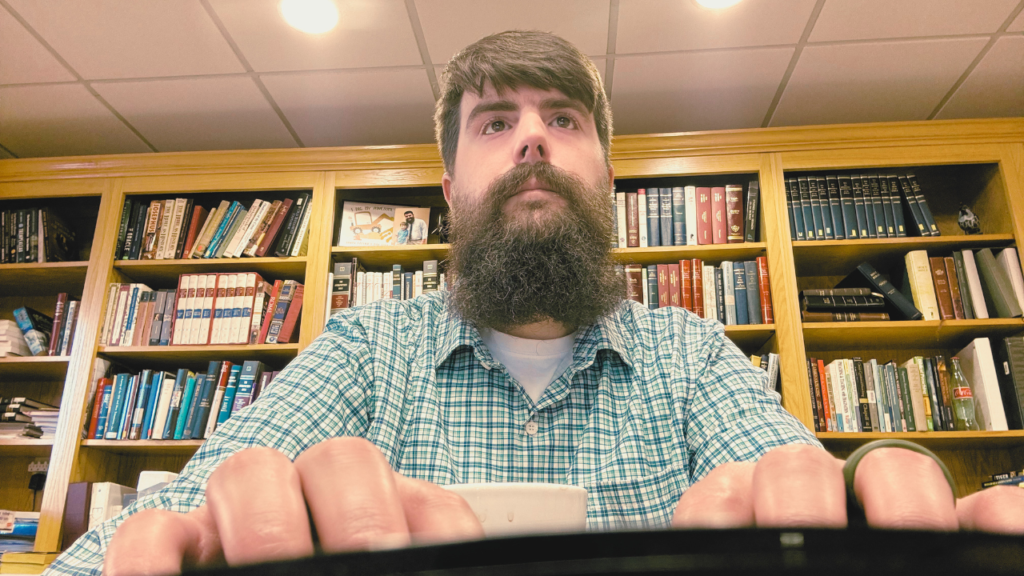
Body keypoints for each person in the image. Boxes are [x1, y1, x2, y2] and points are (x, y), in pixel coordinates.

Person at [51, 30, 1023, 576]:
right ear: (450, 190)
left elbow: (793, 483)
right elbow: (149, 528)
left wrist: (875, 493)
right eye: (494, 123)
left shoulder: (689, 353)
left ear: (606, 179)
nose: (532, 141)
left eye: (563, 119)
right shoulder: (363, 346)